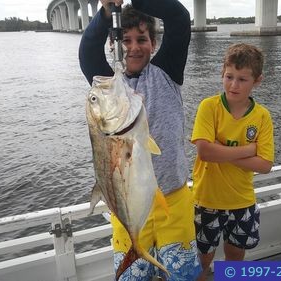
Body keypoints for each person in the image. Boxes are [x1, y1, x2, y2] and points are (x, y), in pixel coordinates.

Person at [79, 0, 201, 280]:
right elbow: (87, 53)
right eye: (125, 39)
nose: (133, 47)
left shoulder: (167, 71)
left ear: (154, 43)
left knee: (183, 275)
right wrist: (107, 13)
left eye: (142, 40)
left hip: (174, 197)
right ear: (114, 43)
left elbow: (180, 18)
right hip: (128, 205)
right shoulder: (109, 85)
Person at [190, 43, 275, 281]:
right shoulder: (209, 107)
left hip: (242, 200)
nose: (234, 85)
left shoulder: (262, 116)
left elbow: (265, 165)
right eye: (229, 77)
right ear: (222, 73)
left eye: (242, 79)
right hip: (206, 199)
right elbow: (205, 152)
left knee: (235, 255)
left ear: (257, 81)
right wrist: (249, 150)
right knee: (202, 259)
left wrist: (222, 150)